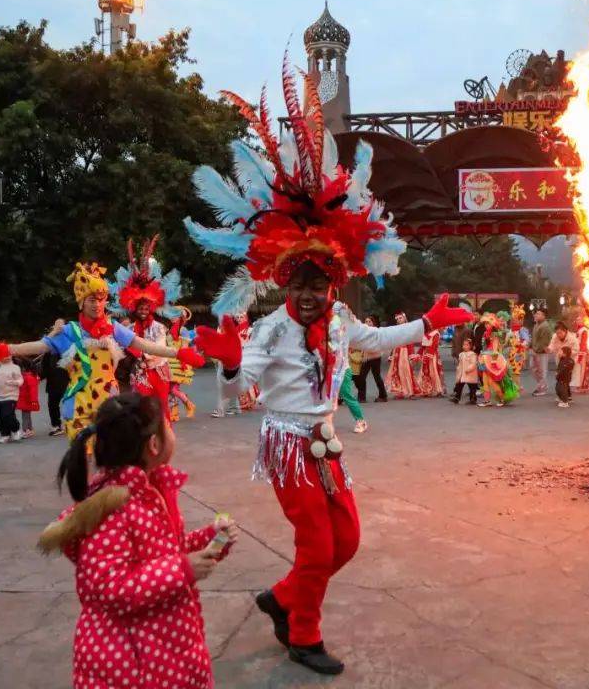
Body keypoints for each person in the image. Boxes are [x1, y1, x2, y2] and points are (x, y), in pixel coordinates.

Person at [185, 70, 472, 675]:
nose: (312, 293)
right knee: (316, 545)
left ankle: (282, 597)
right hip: (288, 444)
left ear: (333, 282)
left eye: (321, 283)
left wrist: (428, 322)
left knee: (348, 540)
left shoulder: (341, 319)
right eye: (302, 283)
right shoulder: (271, 329)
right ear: (285, 281)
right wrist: (232, 364)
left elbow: (375, 338)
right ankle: (303, 634)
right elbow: (242, 383)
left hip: (325, 442)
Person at [38, 392, 239, 689]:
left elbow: (166, 552)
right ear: (154, 445)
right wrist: (181, 570)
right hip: (133, 663)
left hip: (163, 649)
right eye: (168, 426)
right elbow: (110, 587)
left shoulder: (148, 492)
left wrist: (211, 539)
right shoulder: (113, 510)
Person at [0, 261, 196, 443]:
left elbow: (143, 344)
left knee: (110, 455)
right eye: (92, 300)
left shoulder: (113, 327)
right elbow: (40, 346)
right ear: (82, 302)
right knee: (84, 456)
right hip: (79, 404)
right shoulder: (69, 331)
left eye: (101, 300)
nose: (98, 305)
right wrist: (6, 349)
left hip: (110, 403)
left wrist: (177, 354)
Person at [108, 235, 205, 422]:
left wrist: (146, 356)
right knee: (141, 410)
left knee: (162, 409)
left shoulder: (159, 327)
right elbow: (123, 345)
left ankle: (164, 436)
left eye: (146, 308)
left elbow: (159, 348)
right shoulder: (129, 328)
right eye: (140, 308)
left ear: (151, 307)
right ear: (134, 308)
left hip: (159, 371)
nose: (143, 311)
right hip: (139, 373)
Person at [0, 355, 23, 444]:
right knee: (0, 418)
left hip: (11, 395)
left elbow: (20, 379)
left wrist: (15, 382)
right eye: (4, 356)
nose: (7, 357)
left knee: (8, 415)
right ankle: (5, 434)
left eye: (8, 355)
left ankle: (16, 430)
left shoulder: (15, 367)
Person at [385, 311, 420, 399]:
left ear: (404, 318)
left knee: (407, 372)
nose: (399, 320)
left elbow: (410, 343)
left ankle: (411, 392)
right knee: (397, 372)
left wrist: (411, 355)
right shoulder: (396, 329)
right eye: (397, 319)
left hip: (404, 353)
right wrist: (391, 355)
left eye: (400, 318)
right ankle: (400, 391)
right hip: (397, 353)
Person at [353, 315, 387, 403]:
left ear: (373, 323)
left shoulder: (376, 332)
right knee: (361, 377)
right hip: (366, 358)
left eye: (369, 322)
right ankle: (362, 397)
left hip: (375, 357)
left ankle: (383, 396)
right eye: (366, 321)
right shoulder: (363, 333)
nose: (368, 323)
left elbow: (378, 345)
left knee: (377, 377)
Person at [39, 349, 69, 436]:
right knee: (52, 405)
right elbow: (45, 368)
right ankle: (56, 425)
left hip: (68, 382)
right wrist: (39, 377)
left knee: (69, 404)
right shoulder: (48, 353)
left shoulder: (68, 348)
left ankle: (72, 424)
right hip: (53, 383)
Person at [415, 324, 445, 397]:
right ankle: (426, 389)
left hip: (433, 356)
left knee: (434, 372)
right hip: (426, 354)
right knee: (425, 372)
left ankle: (438, 390)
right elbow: (423, 346)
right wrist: (418, 354)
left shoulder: (436, 333)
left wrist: (428, 356)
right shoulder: (425, 334)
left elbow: (433, 346)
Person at [530, 309, 552, 396]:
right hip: (535, 351)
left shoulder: (545, 326)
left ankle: (542, 388)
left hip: (542, 352)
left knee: (542, 370)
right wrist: (530, 347)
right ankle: (541, 385)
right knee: (533, 368)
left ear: (544, 316)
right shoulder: (536, 325)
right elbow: (534, 339)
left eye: (538, 314)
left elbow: (545, 342)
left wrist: (537, 350)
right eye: (536, 314)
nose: (536, 315)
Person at [16, 357, 40, 438]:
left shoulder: (27, 377)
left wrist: (34, 400)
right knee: (27, 414)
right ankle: (29, 429)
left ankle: (26, 430)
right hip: (26, 399)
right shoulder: (30, 376)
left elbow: (33, 390)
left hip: (26, 399)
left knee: (25, 415)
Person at [451, 337, 480, 405]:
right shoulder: (461, 354)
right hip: (463, 373)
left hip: (470, 373)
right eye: (464, 345)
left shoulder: (472, 354)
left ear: (470, 346)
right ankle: (457, 397)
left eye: (467, 345)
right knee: (459, 385)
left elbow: (474, 364)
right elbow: (460, 364)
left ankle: (473, 398)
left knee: (472, 387)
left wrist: (468, 369)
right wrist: (459, 369)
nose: (465, 346)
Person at [574, 316, 589, 393]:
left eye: (579, 320)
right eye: (576, 320)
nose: (577, 321)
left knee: (583, 370)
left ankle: (583, 387)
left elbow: (583, 342)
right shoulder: (579, 329)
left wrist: (581, 353)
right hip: (580, 351)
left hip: (582, 352)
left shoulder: (584, 330)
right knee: (582, 370)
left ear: (583, 321)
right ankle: (586, 386)